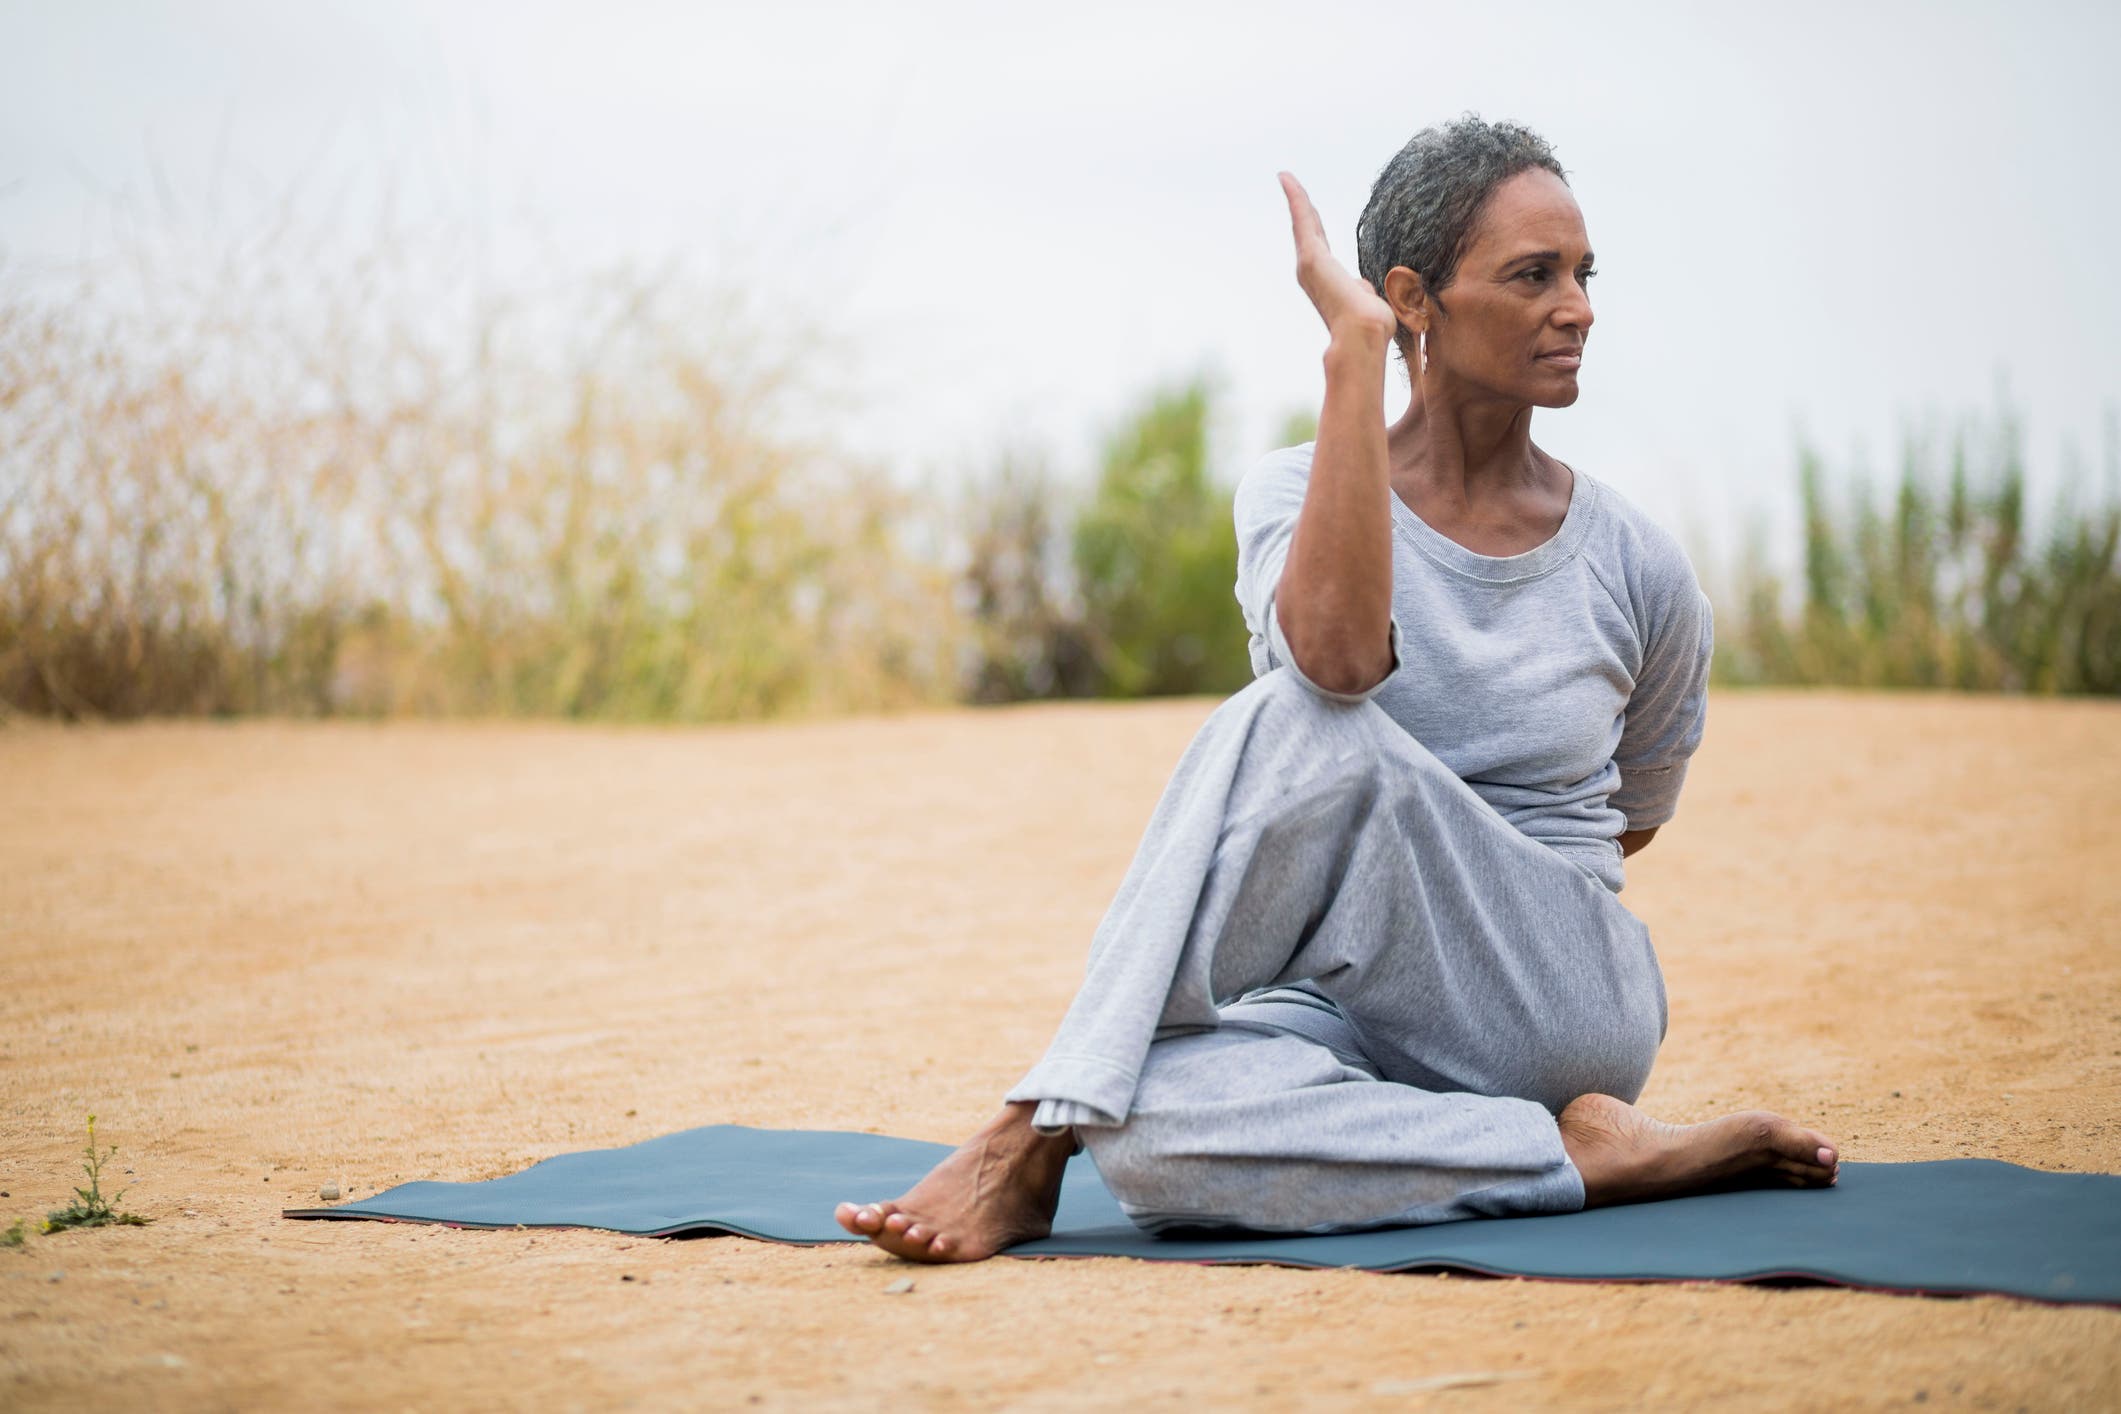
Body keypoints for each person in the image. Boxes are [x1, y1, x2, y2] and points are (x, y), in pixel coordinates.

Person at [835, 115, 1840, 1263]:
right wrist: (1351, 356)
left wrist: (1443, 878)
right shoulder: (1286, 496)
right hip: (1349, 1007)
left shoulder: (1636, 562)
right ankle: (1568, 1158)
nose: (1579, 307)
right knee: (1148, 1132)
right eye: (1533, 275)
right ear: (1413, 300)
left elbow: (1633, 815)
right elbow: (1342, 653)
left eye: (1582, 273)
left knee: (1303, 723)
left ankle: (1026, 1130)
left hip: (1559, 995)